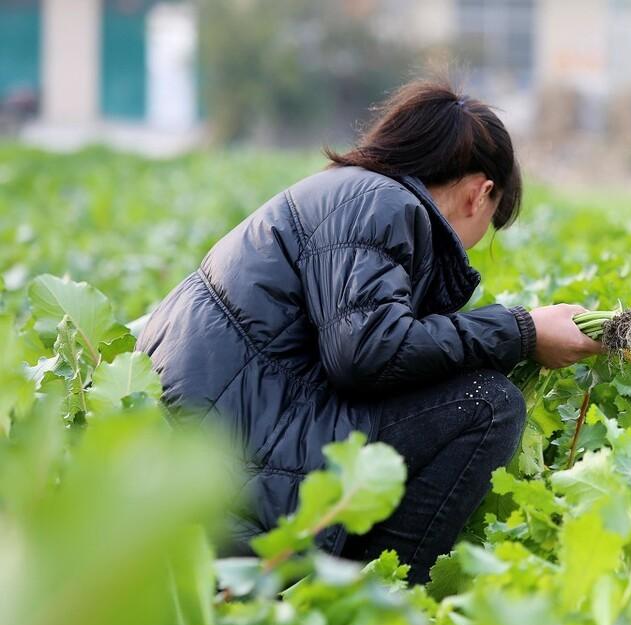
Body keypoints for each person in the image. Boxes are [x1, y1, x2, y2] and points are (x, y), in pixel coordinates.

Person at [137, 80, 601, 582]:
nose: (473, 246)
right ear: (480, 193)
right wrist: (524, 331)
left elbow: (364, 344)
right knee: (486, 405)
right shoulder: (377, 203)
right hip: (233, 474)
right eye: (490, 223)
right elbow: (365, 351)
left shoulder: (352, 192)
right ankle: (374, 596)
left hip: (208, 451)